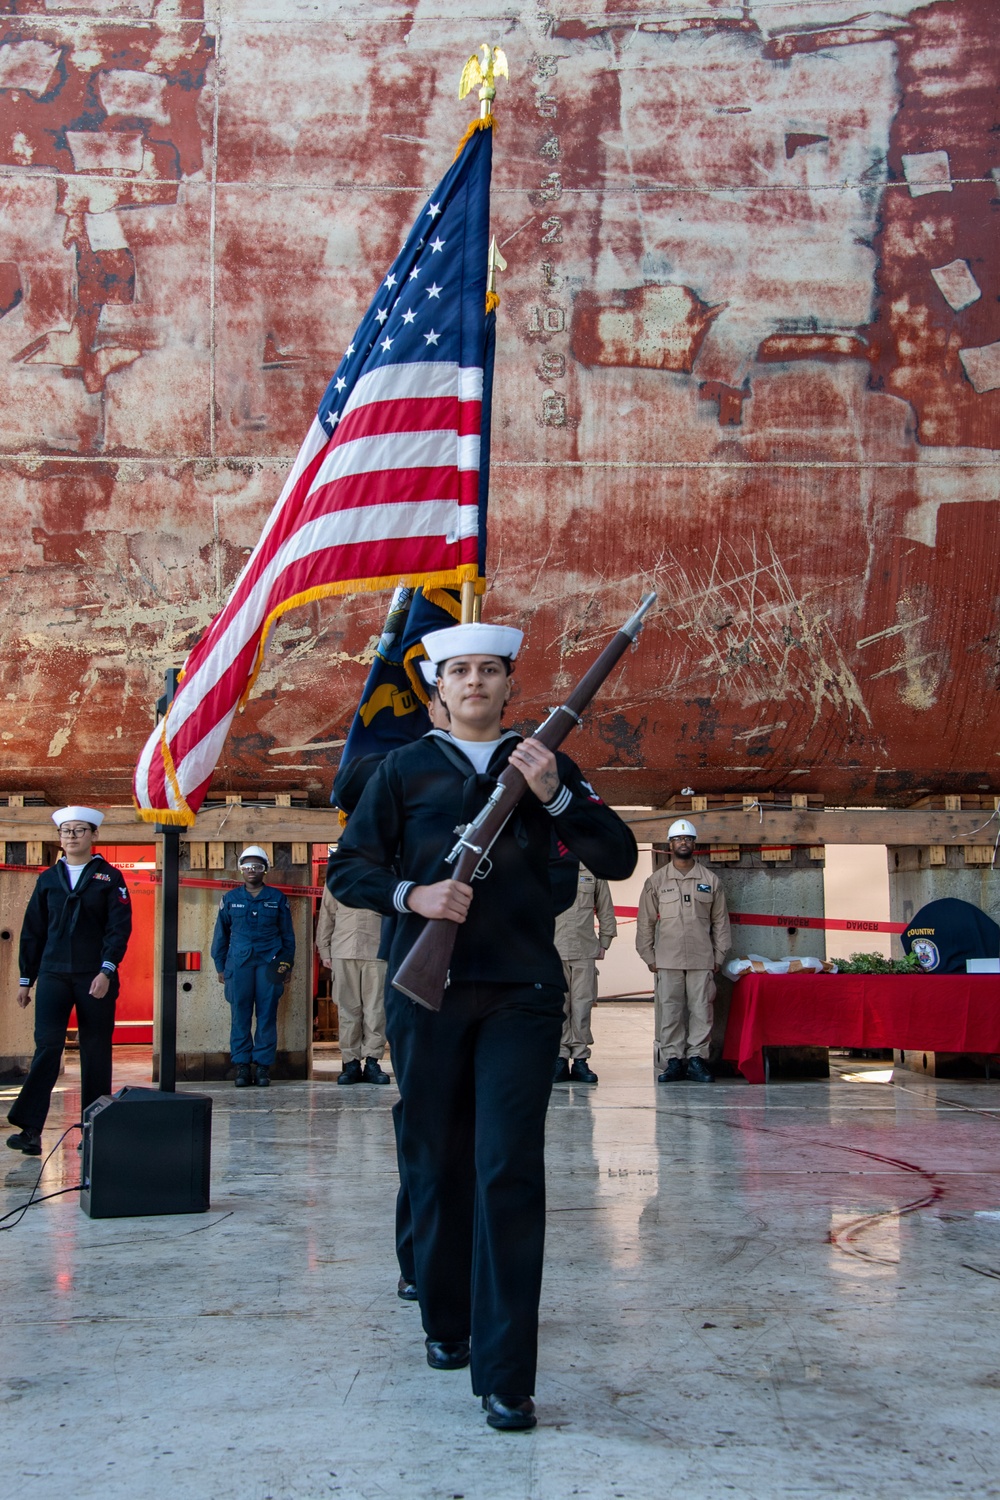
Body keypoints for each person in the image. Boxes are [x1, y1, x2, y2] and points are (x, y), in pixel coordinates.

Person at [327, 621, 637, 1431]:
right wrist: (413, 898)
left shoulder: (545, 763)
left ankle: (507, 1375)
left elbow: (616, 856)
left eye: (490, 670)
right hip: (425, 994)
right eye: (459, 670)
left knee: (508, 1169)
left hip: (522, 993)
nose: (475, 682)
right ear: (438, 687)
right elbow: (349, 869)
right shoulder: (398, 770)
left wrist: (555, 795)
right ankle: (445, 1317)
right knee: (435, 1159)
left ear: (508, 685)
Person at [7, 806, 132, 1155]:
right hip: (53, 974)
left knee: (95, 1049)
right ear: (59, 838)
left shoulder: (110, 878)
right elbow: (33, 930)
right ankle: (31, 1130)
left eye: (79, 830)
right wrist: (25, 979)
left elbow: (118, 929)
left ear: (94, 835)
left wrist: (107, 971)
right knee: (47, 1048)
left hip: (95, 976)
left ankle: (95, 1129)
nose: (72, 836)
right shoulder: (48, 879)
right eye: (66, 831)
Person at [635, 819, 731, 1083]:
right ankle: (674, 1061)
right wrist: (649, 956)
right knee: (670, 1010)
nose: (683, 843)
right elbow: (645, 922)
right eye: (678, 839)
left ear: (694, 844)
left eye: (688, 839)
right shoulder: (656, 881)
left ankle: (697, 1060)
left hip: (702, 959)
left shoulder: (711, 881)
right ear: (670, 845)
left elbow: (720, 922)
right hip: (668, 958)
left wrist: (719, 955)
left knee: (702, 1010)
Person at [317, 757, 390, 1085]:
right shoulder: (338, 877)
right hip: (343, 950)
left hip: (377, 951)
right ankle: (349, 1062)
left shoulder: (383, 873)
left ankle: (373, 1061)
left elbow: (395, 914)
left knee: (376, 1010)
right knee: (348, 1010)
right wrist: (324, 950)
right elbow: (327, 916)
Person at [211, 846, 295, 1088]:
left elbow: (288, 937)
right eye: (247, 866)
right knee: (240, 1015)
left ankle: (263, 1068)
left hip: (271, 963)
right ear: (241, 870)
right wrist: (220, 965)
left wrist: (286, 965)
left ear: (265, 870)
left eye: (257, 866)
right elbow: (221, 935)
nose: (251, 871)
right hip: (239, 965)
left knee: (267, 1015)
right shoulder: (230, 899)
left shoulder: (277, 898)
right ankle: (242, 1066)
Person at [552, 864, 617, 1084]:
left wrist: (605, 940)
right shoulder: (548, 866)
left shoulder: (593, 871)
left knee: (582, 1005)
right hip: (553, 950)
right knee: (558, 1005)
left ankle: (580, 1059)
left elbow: (605, 906)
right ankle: (559, 1058)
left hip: (584, 949)